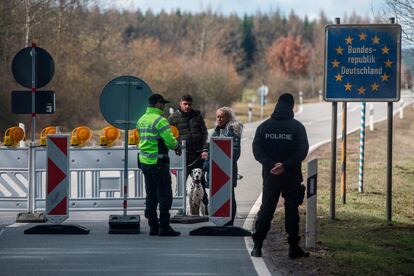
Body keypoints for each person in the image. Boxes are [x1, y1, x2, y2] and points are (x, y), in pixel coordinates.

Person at [251, 93, 309, 259]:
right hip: (291, 176)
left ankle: (257, 246)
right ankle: (293, 248)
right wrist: (285, 165)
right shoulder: (297, 127)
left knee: (266, 210)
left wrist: (271, 164)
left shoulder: (264, 127)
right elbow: (302, 151)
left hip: (270, 176)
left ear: (277, 105)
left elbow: (257, 150)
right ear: (291, 106)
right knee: (291, 210)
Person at [136, 93, 182, 236]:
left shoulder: (141, 120)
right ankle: (164, 227)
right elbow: (170, 142)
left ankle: (153, 226)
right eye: (163, 104)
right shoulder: (160, 121)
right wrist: (177, 146)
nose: (164, 106)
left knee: (151, 195)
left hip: (144, 162)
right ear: (157, 103)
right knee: (164, 195)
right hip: (159, 163)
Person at [168, 95, 209, 213]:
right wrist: (175, 150)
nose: (187, 106)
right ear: (180, 103)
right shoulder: (172, 118)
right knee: (180, 186)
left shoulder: (197, 116)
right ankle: (180, 210)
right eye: (185, 104)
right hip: (182, 158)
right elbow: (169, 137)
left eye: (189, 104)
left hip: (197, 156)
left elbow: (205, 134)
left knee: (200, 184)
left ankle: (205, 209)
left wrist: (205, 149)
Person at [202, 106, 243, 225]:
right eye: (217, 117)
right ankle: (219, 221)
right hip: (215, 170)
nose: (219, 119)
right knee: (217, 196)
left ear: (228, 117)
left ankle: (229, 222)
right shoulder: (216, 130)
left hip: (227, 169)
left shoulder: (233, 131)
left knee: (229, 195)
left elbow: (235, 151)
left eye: (222, 117)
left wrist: (224, 161)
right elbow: (211, 150)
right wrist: (206, 164)